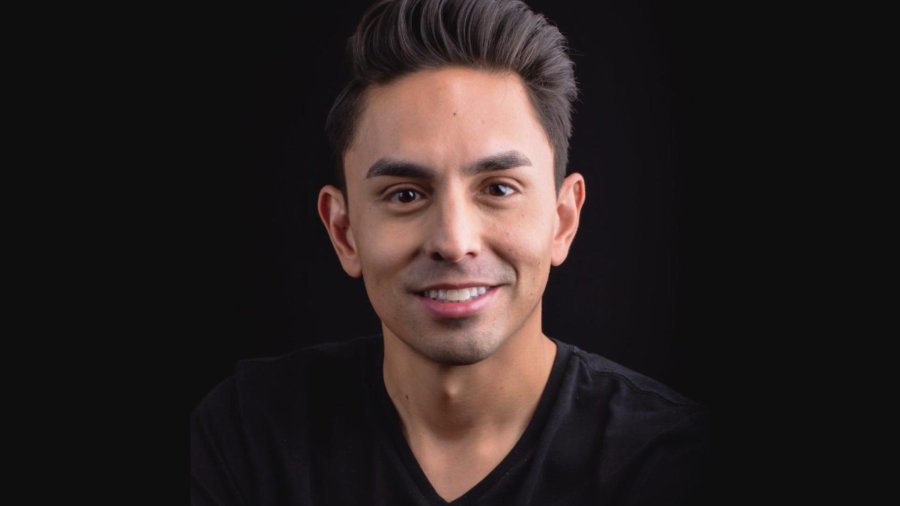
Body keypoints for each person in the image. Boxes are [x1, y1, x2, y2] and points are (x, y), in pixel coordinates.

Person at [191, 0, 710, 504]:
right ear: (345, 233)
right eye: (406, 195)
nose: (454, 242)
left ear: (563, 220)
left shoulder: (672, 462)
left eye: (498, 188)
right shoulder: (248, 435)